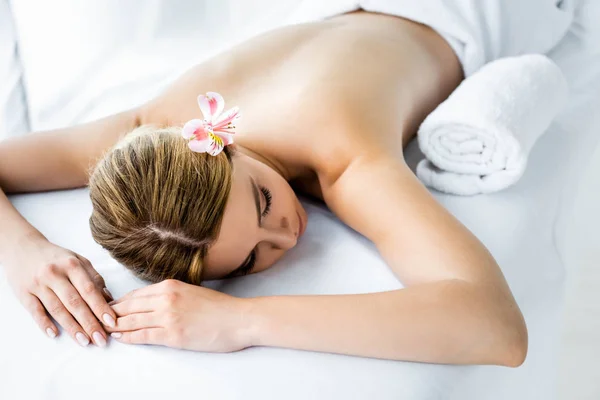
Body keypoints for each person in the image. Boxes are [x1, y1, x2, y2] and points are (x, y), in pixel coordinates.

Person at [0, 8, 539, 366]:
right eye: (251, 260)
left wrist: (242, 320)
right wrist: (23, 250)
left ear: (223, 146)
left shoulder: (343, 155)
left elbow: (497, 327)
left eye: (263, 200)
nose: (287, 235)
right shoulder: (155, 129)